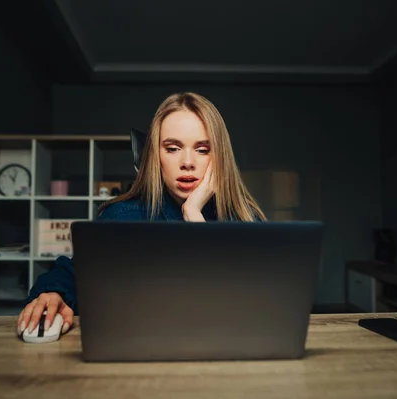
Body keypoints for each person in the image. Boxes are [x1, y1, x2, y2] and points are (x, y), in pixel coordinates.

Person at [17, 92, 267, 337]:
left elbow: (253, 302)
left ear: (220, 158)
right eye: (172, 148)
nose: (187, 162)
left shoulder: (244, 220)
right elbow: (73, 273)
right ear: (155, 156)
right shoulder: (122, 217)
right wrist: (53, 293)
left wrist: (194, 216)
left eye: (202, 150)